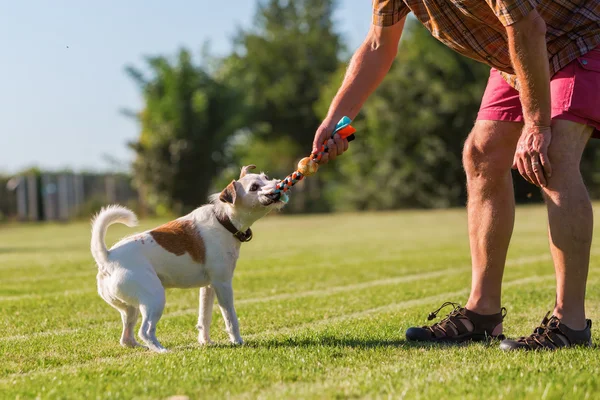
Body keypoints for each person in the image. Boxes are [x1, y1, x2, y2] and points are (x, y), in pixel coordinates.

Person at [312, 0, 600, 350]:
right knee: (481, 153)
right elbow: (378, 45)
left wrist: (537, 124)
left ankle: (570, 324)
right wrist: (337, 120)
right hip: (518, 53)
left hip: (584, 34)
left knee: (553, 152)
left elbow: (529, 27)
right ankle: (482, 314)